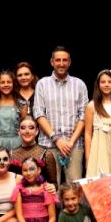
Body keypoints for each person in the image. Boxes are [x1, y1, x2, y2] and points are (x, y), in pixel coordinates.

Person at [33, 47, 88, 183]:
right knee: (51, 187)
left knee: (74, 186)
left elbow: (84, 115)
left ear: (69, 62)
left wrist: (70, 142)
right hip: (49, 144)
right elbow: (39, 114)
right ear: (52, 62)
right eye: (58, 60)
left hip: (73, 145)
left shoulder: (79, 84)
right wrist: (56, 139)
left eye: (64, 60)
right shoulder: (42, 84)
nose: (61, 63)